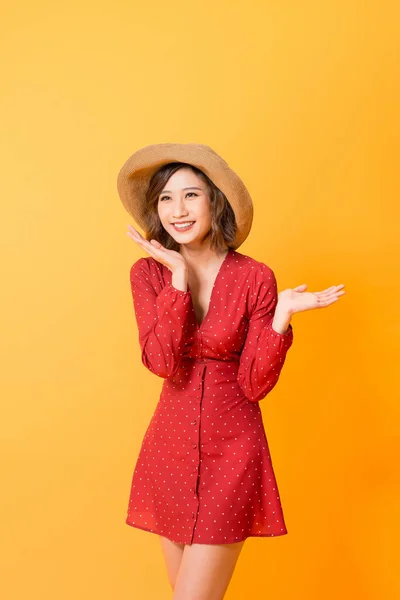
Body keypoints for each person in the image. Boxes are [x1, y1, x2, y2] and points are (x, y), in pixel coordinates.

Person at [117, 143, 345, 599]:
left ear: (215, 200)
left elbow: (254, 384)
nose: (176, 210)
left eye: (191, 195)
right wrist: (178, 278)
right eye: (165, 198)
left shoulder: (255, 277)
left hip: (234, 452)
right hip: (169, 450)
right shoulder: (150, 273)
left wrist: (281, 318)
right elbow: (161, 362)